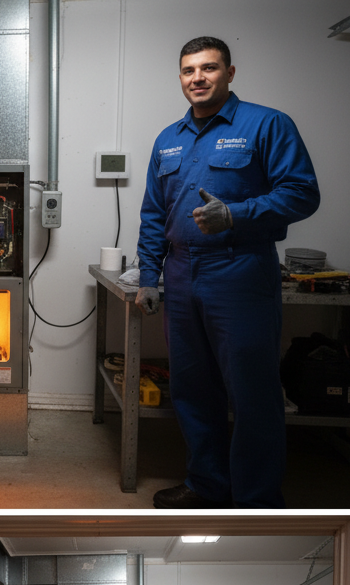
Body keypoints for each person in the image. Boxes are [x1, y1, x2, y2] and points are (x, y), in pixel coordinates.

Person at [135, 36, 320, 509]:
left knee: (253, 394)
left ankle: (256, 499)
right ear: (180, 77)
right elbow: (154, 213)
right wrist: (148, 277)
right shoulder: (168, 139)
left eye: (209, 68)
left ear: (230, 73)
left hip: (239, 272)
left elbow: (302, 193)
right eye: (188, 70)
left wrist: (236, 214)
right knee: (193, 390)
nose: (197, 78)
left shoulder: (267, 124)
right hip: (179, 274)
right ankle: (206, 486)